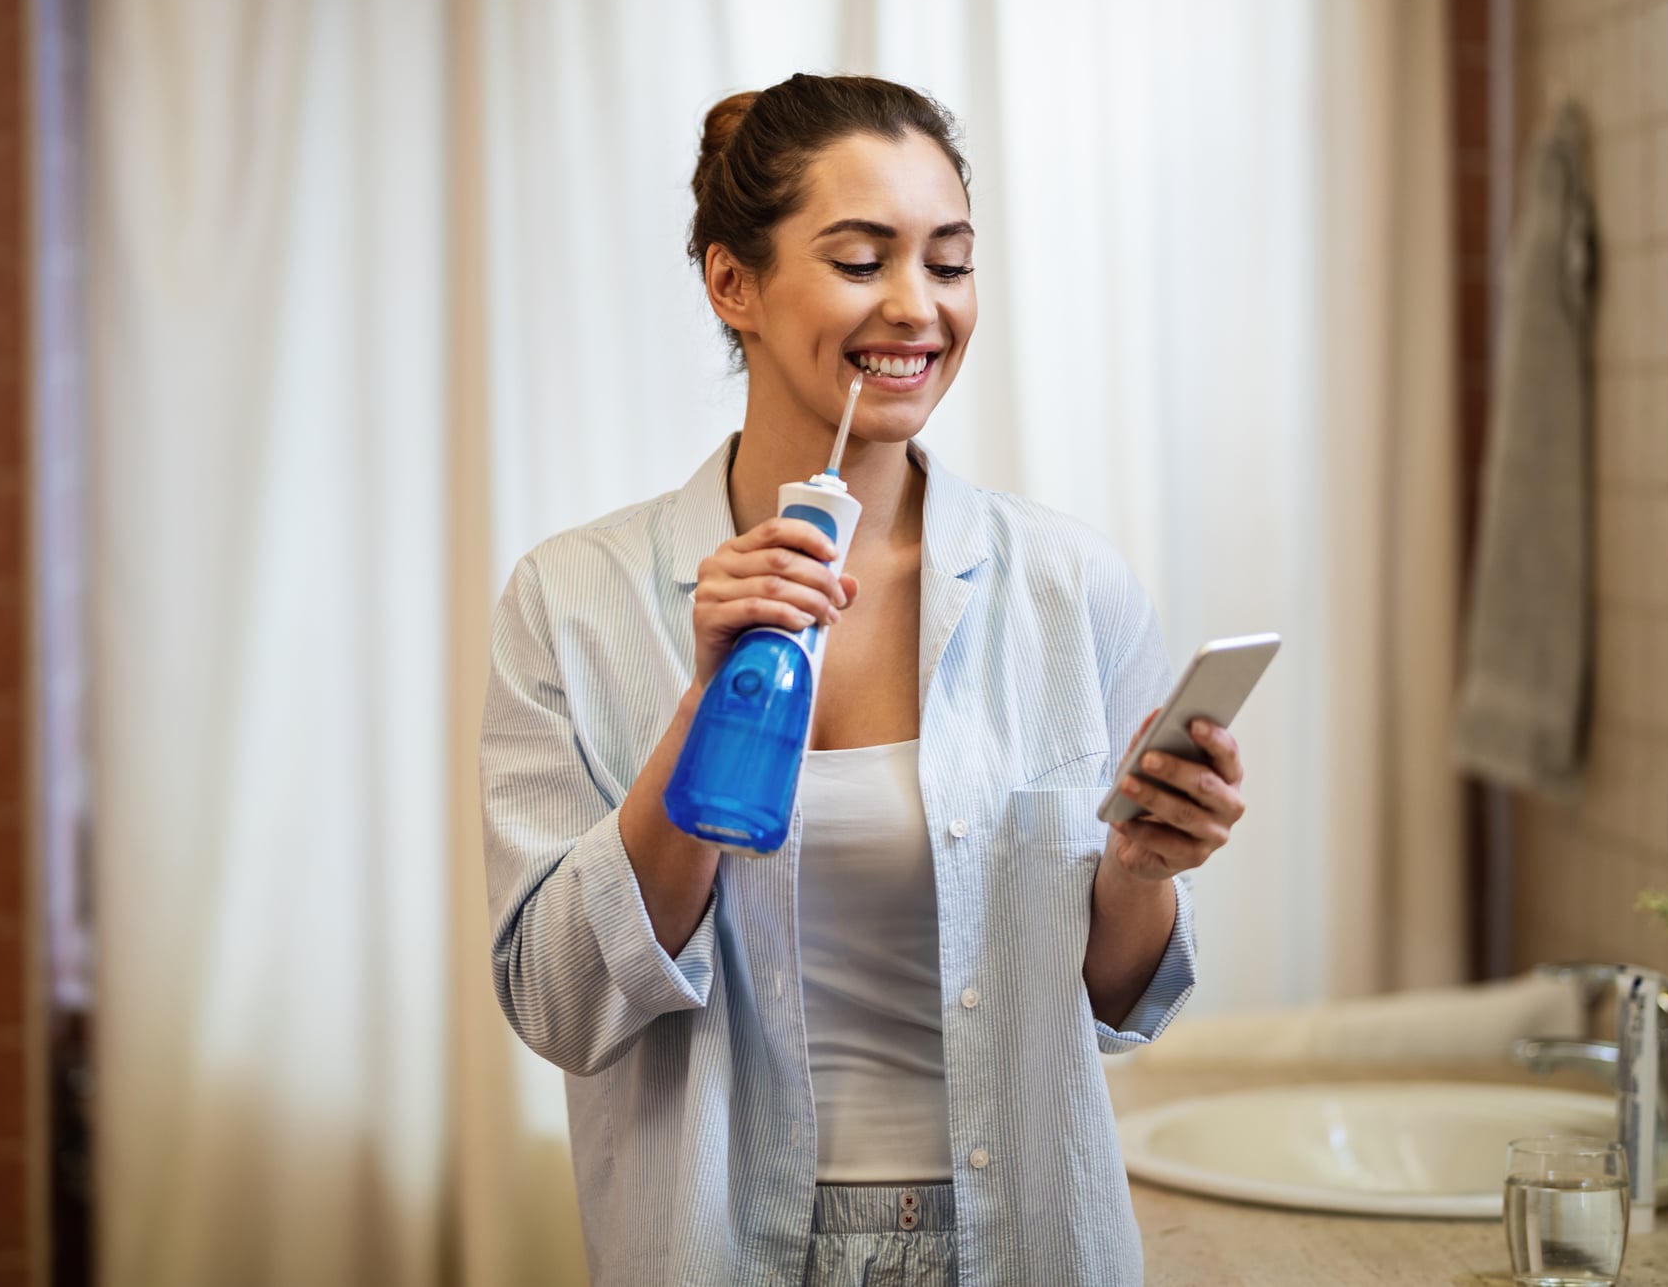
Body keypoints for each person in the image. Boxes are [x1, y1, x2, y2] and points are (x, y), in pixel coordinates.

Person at [479, 73, 1247, 1287]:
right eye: (859, 261)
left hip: (1024, 1244)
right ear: (732, 284)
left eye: (948, 263)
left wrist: (1139, 872)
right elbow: (559, 1004)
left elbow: (1117, 1004)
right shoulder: (572, 602)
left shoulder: (1069, 590)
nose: (916, 308)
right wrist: (701, 716)